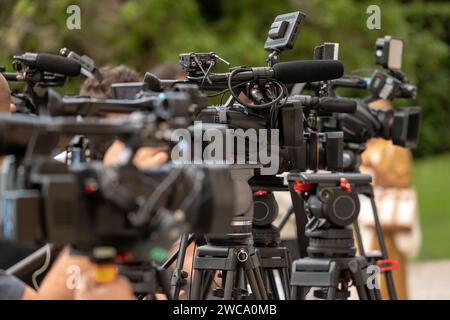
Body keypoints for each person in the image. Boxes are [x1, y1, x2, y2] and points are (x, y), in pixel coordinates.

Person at [358, 99, 422, 300]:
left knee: (391, 268)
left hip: (387, 222)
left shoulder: (396, 145)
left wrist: (375, 171)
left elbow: (402, 177)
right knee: (368, 265)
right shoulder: (368, 145)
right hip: (367, 215)